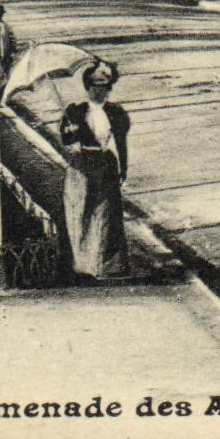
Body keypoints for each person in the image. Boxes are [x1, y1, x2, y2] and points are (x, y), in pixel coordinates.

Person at [59, 60, 130, 280]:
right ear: (87, 87)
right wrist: (71, 135)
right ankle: (81, 266)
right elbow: (65, 139)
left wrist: (123, 168)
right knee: (80, 213)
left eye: (104, 87)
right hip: (81, 167)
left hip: (105, 164)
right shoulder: (74, 111)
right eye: (94, 86)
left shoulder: (116, 112)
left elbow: (120, 141)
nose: (99, 91)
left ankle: (106, 266)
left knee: (106, 214)